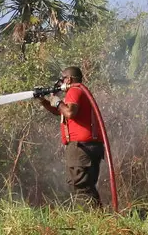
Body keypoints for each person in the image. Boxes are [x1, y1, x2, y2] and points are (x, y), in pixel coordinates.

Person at [36, 66, 105, 207]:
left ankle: (91, 220)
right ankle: (99, 219)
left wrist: (57, 101)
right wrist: (44, 101)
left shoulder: (74, 91)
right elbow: (60, 112)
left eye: (62, 79)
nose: (60, 83)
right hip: (90, 146)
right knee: (86, 186)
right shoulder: (80, 92)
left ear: (69, 79)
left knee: (80, 185)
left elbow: (69, 113)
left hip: (81, 147)